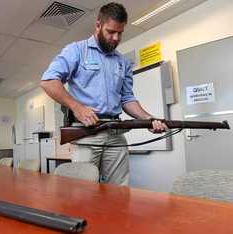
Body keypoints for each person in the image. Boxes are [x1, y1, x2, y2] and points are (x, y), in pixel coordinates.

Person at [40, 2, 167, 185]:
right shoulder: (76, 50)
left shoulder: (123, 62)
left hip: (116, 133)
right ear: (98, 25)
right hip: (87, 134)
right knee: (81, 190)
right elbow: (48, 82)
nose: (116, 38)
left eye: (120, 33)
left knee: (119, 190)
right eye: (111, 32)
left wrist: (149, 119)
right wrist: (77, 108)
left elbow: (127, 99)